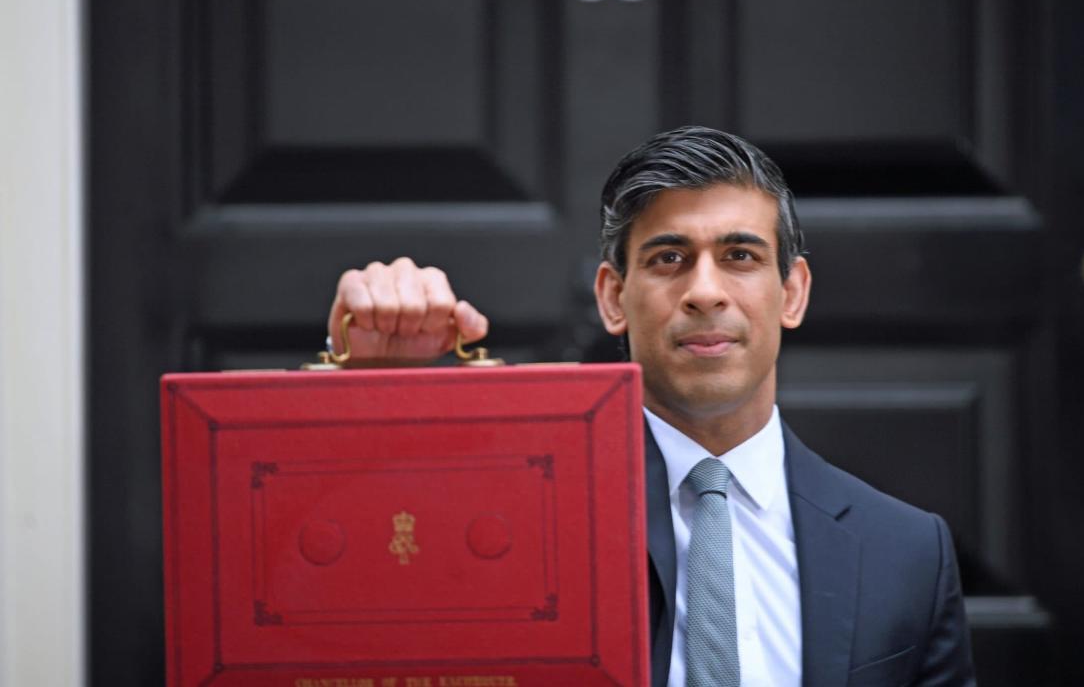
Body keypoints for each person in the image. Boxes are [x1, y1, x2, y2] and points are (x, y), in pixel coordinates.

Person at [327, 126, 976, 686]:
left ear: (793, 292)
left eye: (740, 256)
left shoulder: (908, 553)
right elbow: (335, 609)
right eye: (669, 258)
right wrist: (378, 390)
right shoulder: (511, 513)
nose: (704, 291)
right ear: (612, 297)